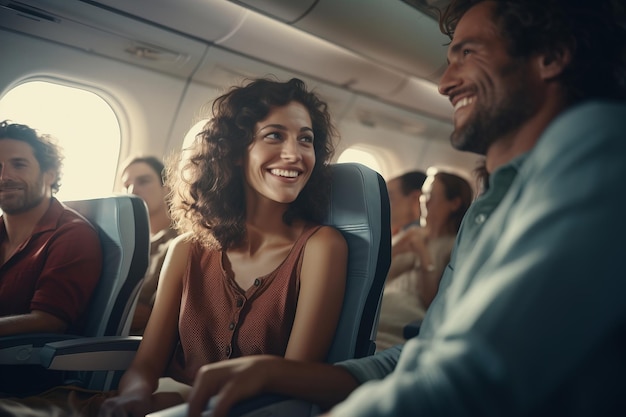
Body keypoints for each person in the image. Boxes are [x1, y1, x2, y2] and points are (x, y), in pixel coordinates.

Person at [182, 1, 626, 416]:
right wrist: (280, 373)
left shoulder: (601, 148)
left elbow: (472, 381)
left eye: (467, 53)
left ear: (551, 56)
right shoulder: (487, 208)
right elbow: (423, 356)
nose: (445, 83)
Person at [98, 77, 348, 416]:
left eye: (306, 139)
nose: (295, 154)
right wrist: (135, 397)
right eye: (274, 135)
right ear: (232, 153)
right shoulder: (187, 249)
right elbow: (145, 367)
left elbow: (291, 381)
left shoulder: (321, 247)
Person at [0, 121, 103, 395]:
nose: (4, 176)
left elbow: (49, 320)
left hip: (24, 378)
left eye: (18, 165)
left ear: (49, 174)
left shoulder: (72, 234)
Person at [376, 170, 472, 350]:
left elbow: (431, 300)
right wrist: (395, 250)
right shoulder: (411, 234)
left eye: (432, 196)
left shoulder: (453, 246)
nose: (425, 201)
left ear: (454, 204)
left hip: (409, 312)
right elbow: (380, 277)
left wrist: (423, 253)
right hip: (384, 298)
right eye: (425, 195)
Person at [120, 156, 178, 335]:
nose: (133, 190)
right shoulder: (127, 243)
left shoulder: (179, 244)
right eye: (126, 185)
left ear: (166, 188)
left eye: (143, 181)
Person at [386, 170, 427, 236]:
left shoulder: (415, 240)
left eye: (390, 198)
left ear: (415, 199)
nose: (383, 205)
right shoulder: (398, 234)